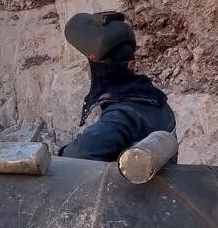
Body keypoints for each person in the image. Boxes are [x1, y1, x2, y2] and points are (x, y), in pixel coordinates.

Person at [59, 11, 177, 162]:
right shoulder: (156, 100)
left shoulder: (120, 118)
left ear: (98, 67)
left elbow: (74, 159)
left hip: (128, 186)